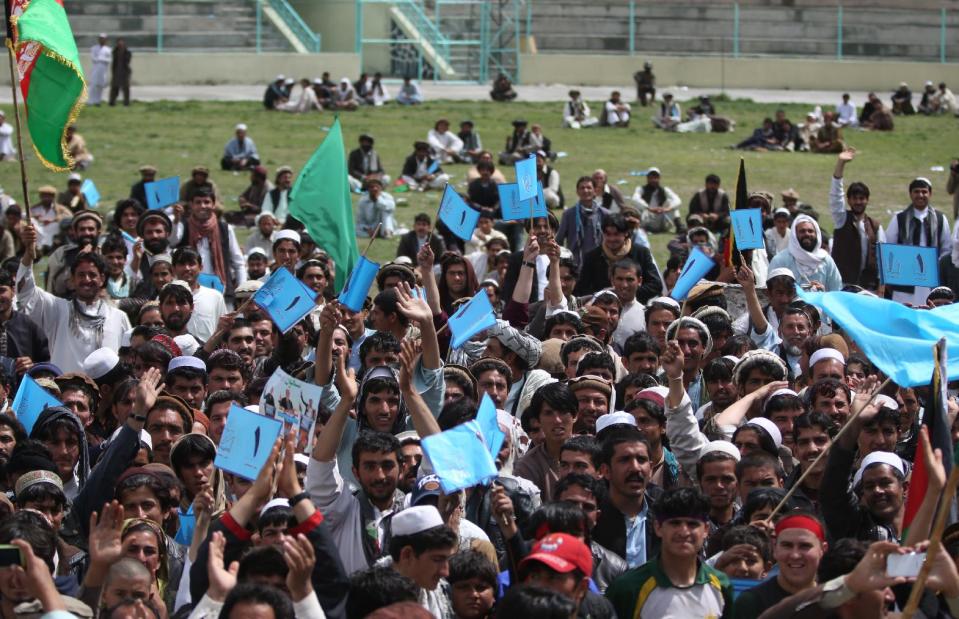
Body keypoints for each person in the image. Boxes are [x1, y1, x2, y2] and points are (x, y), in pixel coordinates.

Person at [17, 224, 131, 373]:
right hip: (64, 392)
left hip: (105, 393)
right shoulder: (57, 309)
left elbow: (129, 359)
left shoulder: (118, 317)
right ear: (72, 280)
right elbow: (25, 292)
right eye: (81, 275)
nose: (87, 280)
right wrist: (28, 253)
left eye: (92, 275)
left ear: (102, 279)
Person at [605, 487, 734, 618]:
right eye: (675, 523)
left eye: (692, 524)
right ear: (658, 527)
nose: (684, 532)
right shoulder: (628, 588)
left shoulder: (721, 585)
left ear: (706, 529)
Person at [731, 513, 829, 618]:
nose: (795, 555)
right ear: (775, 548)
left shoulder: (834, 604)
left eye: (805, 546)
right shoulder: (751, 602)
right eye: (787, 545)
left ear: (823, 549)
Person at [884, 176, 951, 305]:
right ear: (910, 194)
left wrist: (932, 267)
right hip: (904, 281)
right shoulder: (899, 218)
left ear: (930, 194)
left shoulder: (940, 219)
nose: (920, 195)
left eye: (924, 191)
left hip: (931, 280)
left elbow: (946, 249)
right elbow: (889, 249)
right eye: (916, 191)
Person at [829, 148, 885, 289]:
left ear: (867, 200)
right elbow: (836, 195)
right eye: (854, 198)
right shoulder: (841, 219)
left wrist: (881, 287)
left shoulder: (875, 226)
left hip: (868, 287)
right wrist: (840, 163)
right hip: (843, 284)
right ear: (848, 200)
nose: (858, 202)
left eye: (862, 198)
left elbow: (882, 258)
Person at [767, 215, 843, 291]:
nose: (807, 234)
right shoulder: (780, 260)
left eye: (810, 231)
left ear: (817, 234)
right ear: (795, 235)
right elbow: (772, 291)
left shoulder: (826, 260)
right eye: (802, 231)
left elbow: (836, 290)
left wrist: (822, 292)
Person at [634, 168, 683, 234]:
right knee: (638, 207)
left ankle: (680, 227)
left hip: (662, 219)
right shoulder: (641, 189)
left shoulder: (664, 190)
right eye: (651, 177)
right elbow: (635, 198)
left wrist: (667, 209)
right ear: (647, 178)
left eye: (655, 177)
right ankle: (640, 228)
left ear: (659, 178)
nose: (653, 180)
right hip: (647, 218)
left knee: (673, 206)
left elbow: (677, 200)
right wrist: (649, 208)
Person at [89, 33, 111, 106]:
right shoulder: (94, 48)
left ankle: (97, 101)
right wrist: (102, 59)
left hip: (103, 68)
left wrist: (100, 59)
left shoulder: (108, 49)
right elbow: (93, 58)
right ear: (99, 40)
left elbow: (108, 60)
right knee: (93, 84)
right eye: (101, 39)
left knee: (100, 85)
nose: (102, 40)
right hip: (95, 68)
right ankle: (91, 101)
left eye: (104, 39)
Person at [109, 38, 132, 106]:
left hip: (124, 72)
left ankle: (126, 103)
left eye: (122, 43)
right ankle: (112, 102)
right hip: (116, 72)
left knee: (126, 88)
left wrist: (123, 52)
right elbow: (114, 60)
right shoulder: (115, 51)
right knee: (114, 88)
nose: (120, 44)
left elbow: (128, 60)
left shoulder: (127, 52)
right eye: (119, 43)